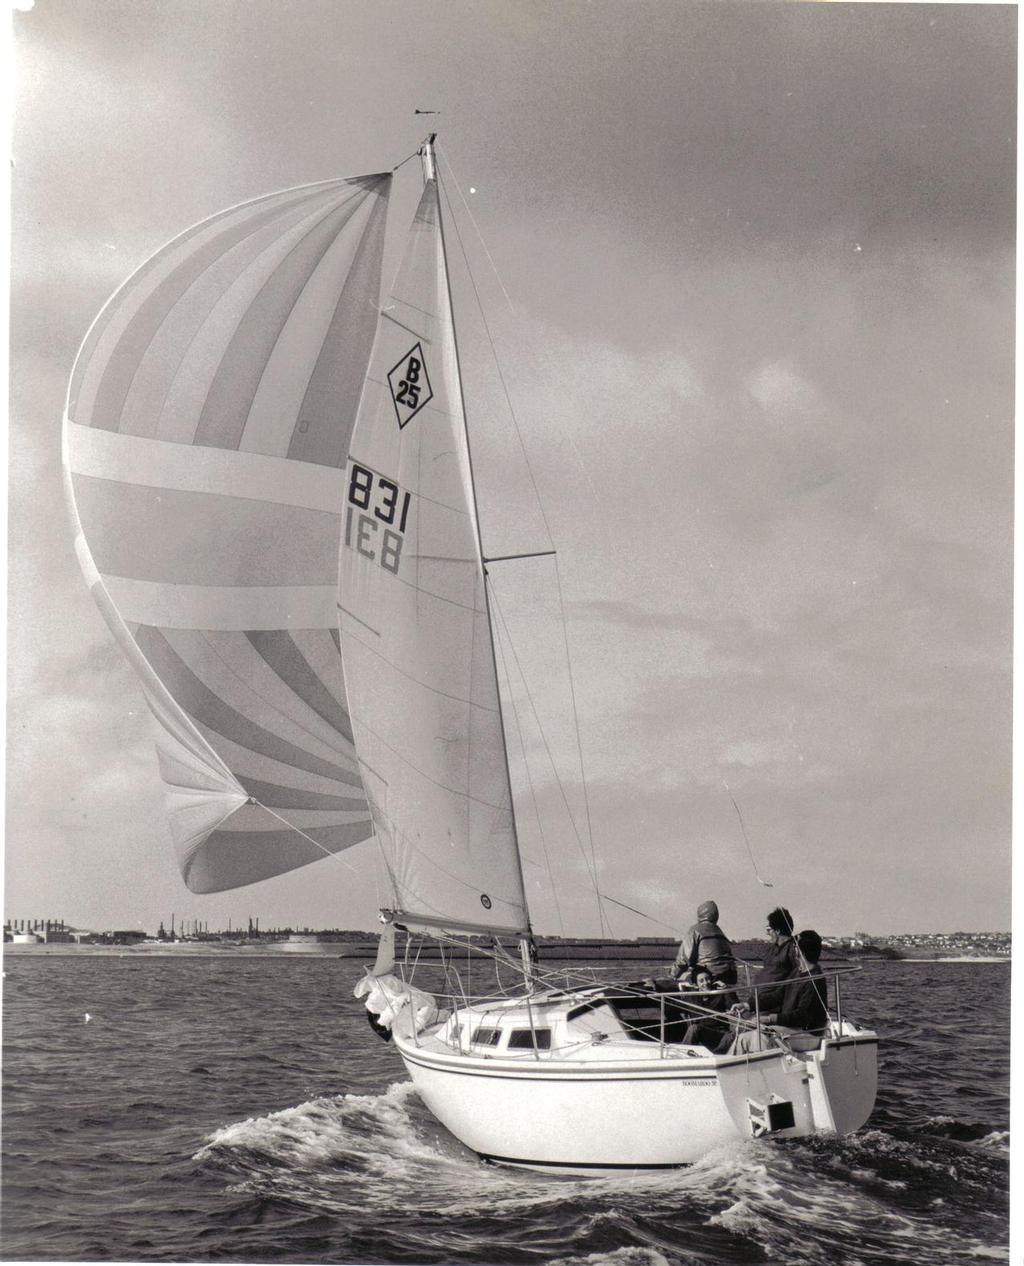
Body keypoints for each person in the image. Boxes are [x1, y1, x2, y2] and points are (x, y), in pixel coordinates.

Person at [718, 929, 829, 1055]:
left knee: (764, 1034)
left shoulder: (815, 979)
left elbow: (802, 1016)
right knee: (743, 1038)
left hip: (809, 1035)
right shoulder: (797, 973)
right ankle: (730, 1069)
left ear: (800, 951)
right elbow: (777, 996)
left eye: (794, 946)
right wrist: (747, 1005)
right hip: (793, 1030)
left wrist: (769, 1019)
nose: (793, 949)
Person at [671, 900, 738, 987]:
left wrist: (672, 975)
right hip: (729, 976)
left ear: (699, 915)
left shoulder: (694, 930)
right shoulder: (719, 931)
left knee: (683, 980)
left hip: (709, 976)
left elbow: (683, 959)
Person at [681, 968, 732, 1049]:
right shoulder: (691, 998)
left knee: (694, 1028)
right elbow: (678, 1007)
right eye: (701, 981)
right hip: (702, 1034)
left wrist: (726, 990)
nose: (706, 983)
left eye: (708, 979)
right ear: (696, 985)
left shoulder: (719, 994)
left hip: (720, 1033)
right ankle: (682, 1055)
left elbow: (733, 1005)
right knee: (694, 1028)